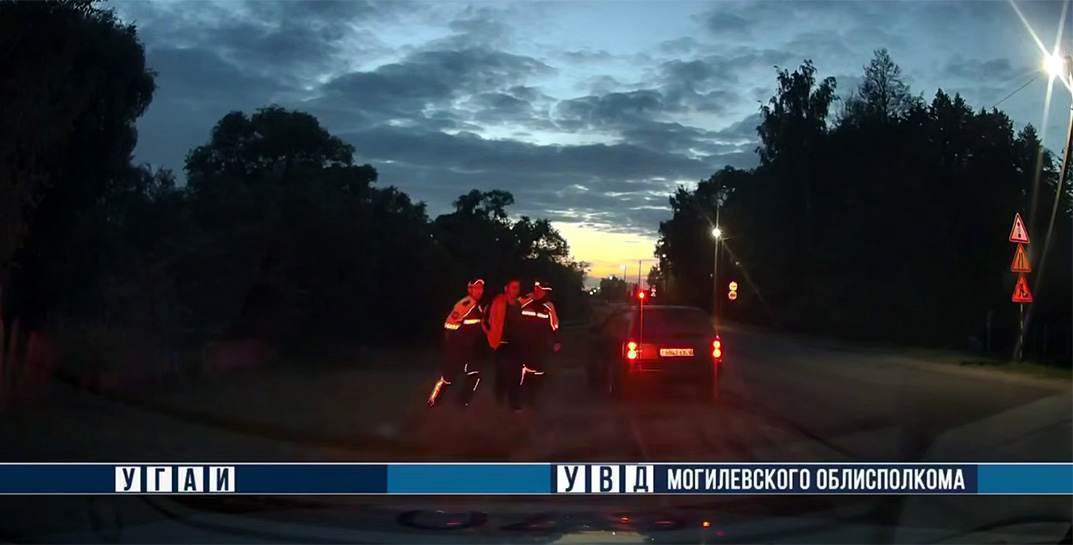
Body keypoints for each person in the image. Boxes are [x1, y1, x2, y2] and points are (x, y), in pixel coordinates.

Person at [427, 278, 486, 408]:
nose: (479, 291)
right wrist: (458, 341)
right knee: (448, 377)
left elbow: (478, 325)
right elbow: (449, 324)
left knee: (475, 373)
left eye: (481, 288)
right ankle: (434, 400)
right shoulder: (465, 304)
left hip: (470, 348)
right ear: (469, 289)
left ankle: (463, 401)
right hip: (457, 347)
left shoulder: (478, 305)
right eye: (476, 288)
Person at [515, 280, 560, 408]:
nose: (541, 292)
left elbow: (554, 324)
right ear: (535, 289)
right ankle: (519, 399)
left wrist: (557, 340)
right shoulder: (524, 301)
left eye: (544, 290)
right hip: (523, 342)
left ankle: (532, 398)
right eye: (539, 289)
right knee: (522, 371)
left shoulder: (549, 306)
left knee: (538, 371)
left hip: (540, 344)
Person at [485, 278, 522, 409]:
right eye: (513, 287)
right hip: (501, 343)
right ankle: (501, 398)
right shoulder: (499, 302)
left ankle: (513, 403)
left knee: (515, 373)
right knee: (503, 373)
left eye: (517, 287)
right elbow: (488, 320)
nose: (516, 290)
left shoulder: (518, 304)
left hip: (515, 343)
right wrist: (492, 336)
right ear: (506, 288)